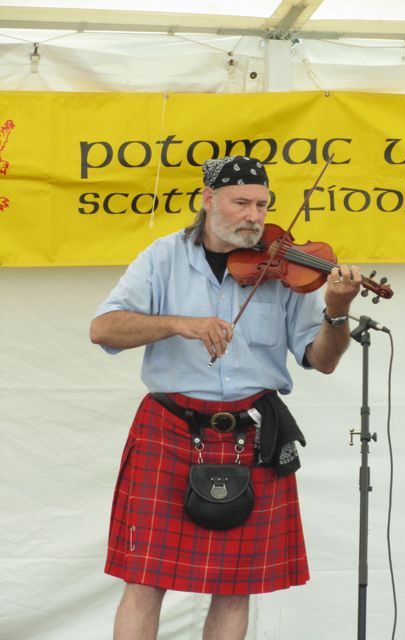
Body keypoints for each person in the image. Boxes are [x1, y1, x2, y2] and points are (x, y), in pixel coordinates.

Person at [90, 155, 361, 640]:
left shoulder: (287, 267)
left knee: (236, 586)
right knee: (145, 579)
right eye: (241, 203)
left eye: (262, 204)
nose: (254, 216)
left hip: (251, 432)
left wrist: (337, 311)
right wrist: (181, 323)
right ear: (208, 200)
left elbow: (321, 358)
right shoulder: (163, 257)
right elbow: (103, 329)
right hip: (169, 428)